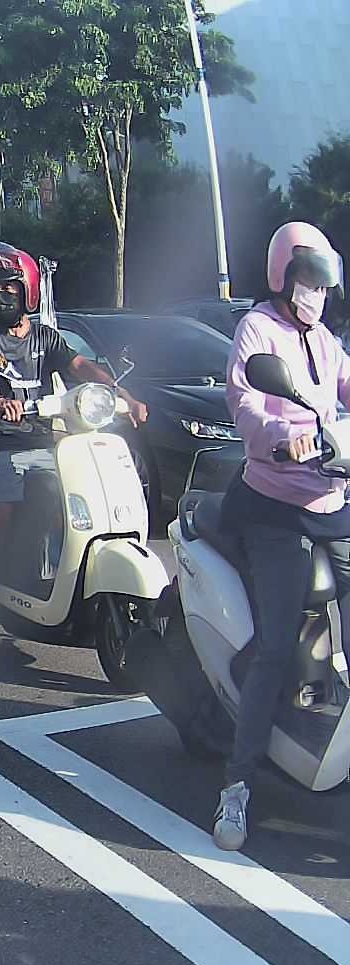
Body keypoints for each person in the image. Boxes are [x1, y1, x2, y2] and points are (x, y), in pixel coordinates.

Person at [214, 220, 350, 850]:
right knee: (274, 646)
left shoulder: (324, 340)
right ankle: (237, 785)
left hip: (332, 498)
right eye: (307, 282)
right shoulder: (258, 331)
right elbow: (245, 401)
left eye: (323, 286)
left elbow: (344, 385)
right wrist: (280, 438)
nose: (315, 296)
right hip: (275, 503)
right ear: (282, 276)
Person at [0, 242, 146, 678]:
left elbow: (80, 366)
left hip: (46, 443)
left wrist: (120, 392)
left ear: (27, 290)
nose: (2, 294)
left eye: (10, 286)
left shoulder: (45, 337)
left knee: (78, 504)